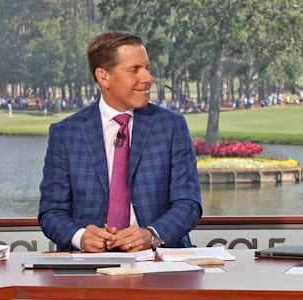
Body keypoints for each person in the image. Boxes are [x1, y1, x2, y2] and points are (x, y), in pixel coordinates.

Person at [38, 32, 201, 252]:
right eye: (135, 70)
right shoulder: (66, 134)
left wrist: (152, 235)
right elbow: (51, 212)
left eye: (147, 68)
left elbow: (188, 204)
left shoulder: (171, 127)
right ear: (103, 77)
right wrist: (80, 237)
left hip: (157, 261)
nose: (148, 78)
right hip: (89, 266)